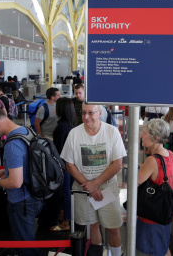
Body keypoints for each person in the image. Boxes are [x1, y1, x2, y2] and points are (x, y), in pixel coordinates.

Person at [60, 103, 127, 256]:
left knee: (112, 227)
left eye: (90, 113)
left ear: (99, 113)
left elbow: (117, 164)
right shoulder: (74, 134)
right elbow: (69, 164)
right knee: (92, 226)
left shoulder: (111, 132)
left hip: (106, 189)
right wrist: (88, 185)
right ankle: (97, 252)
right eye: (83, 113)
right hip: (83, 189)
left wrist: (95, 185)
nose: (86, 117)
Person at [0, 106, 43, 256]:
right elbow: (27, 162)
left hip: (21, 201)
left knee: (25, 246)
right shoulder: (25, 130)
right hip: (34, 195)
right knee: (28, 240)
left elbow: (15, 182)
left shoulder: (12, 144)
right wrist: (6, 170)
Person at [136, 118, 173, 256]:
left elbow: (136, 181)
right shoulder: (170, 155)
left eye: (145, 133)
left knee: (154, 250)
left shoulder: (152, 161)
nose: (142, 135)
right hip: (165, 212)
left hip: (152, 215)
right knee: (163, 247)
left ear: (155, 137)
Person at [50, 97, 76, 232]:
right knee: (70, 193)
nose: (55, 108)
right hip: (72, 165)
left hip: (64, 166)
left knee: (66, 193)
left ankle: (66, 221)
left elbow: (59, 150)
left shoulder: (61, 127)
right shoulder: (72, 125)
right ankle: (69, 217)